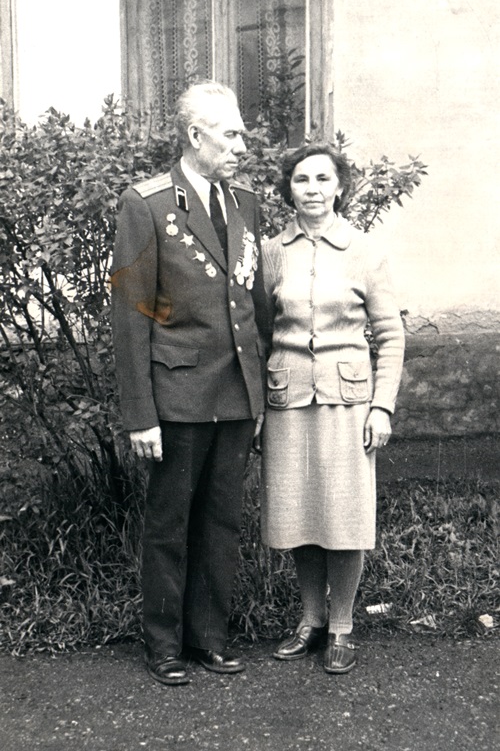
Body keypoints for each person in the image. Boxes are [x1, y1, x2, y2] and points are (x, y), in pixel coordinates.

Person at [110, 81, 268, 686]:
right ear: (196, 136)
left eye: (241, 134)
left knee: (222, 522)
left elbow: (252, 302)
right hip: (177, 396)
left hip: (236, 392)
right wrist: (140, 414)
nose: (241, 146)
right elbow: (132, 315)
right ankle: (163, 644)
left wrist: (260, 390)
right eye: (231, 135)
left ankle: (209, 638)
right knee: (169, 524)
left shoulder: (245, 203)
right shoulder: (147, 204)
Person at [260, 143, 405, 674]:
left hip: (349, 404)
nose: (313, 189)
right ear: (289, 189)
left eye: (323, 179)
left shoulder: (365, 251)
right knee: (298, 513)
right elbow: (258, 334)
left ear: (340, 187)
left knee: (344, 514)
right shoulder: (272, 252)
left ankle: (342, 624)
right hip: (286, 400)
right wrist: (257, 408)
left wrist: (381, 407)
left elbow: (390, 335)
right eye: (302, 180)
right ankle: (311, 619)